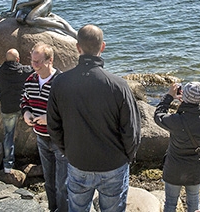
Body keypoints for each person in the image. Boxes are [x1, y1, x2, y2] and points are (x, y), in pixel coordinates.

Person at [47, 24, 141, 212]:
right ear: (102, 46)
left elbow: (53, 126)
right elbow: (132, 130)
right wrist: (127, 157)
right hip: (113, 164)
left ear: (77, 47)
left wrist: (68, 151)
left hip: (78, 163)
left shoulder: (60, 83)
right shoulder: (119, 86)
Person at [20, 43, 67, 212]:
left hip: (60, 140)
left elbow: (70, 110)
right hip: (41, 138)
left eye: (38, 62)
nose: (35, 65)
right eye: (33, 61)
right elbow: (24, 100)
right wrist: (26, 113)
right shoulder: (30, 80)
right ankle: (53, 209)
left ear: (50, 60)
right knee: (49, 181)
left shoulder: (61, 82)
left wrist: (50, 119)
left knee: (62, 184)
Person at [153, 81, 200, 212]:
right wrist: (187, 103)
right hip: (195, 168)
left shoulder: (175, 120)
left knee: (170, 204)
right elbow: (196, 116)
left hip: (174, 168)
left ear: (184, 97)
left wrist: (169, 97)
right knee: (194, 202)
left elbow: (158, 115)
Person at [0, 48, 31, 173]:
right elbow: (33, 70)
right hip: (22, 108)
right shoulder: (24, 71)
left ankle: (8, 165)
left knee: (8, 135)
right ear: (18, 59)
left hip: (7, 109)